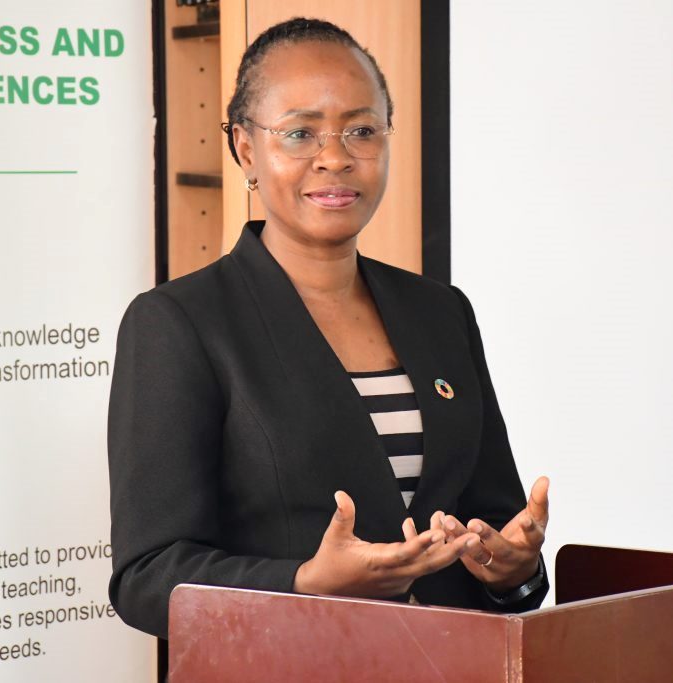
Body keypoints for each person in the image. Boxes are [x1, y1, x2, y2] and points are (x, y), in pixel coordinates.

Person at [107, 17, 550, 640]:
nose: (336, 157)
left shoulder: (442, 312)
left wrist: (513, 568)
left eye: (362, 130)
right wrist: (306, 584)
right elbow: (147, 579)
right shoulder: (179, 323)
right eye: (299, 133)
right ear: (244, 148)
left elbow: (495, 522)